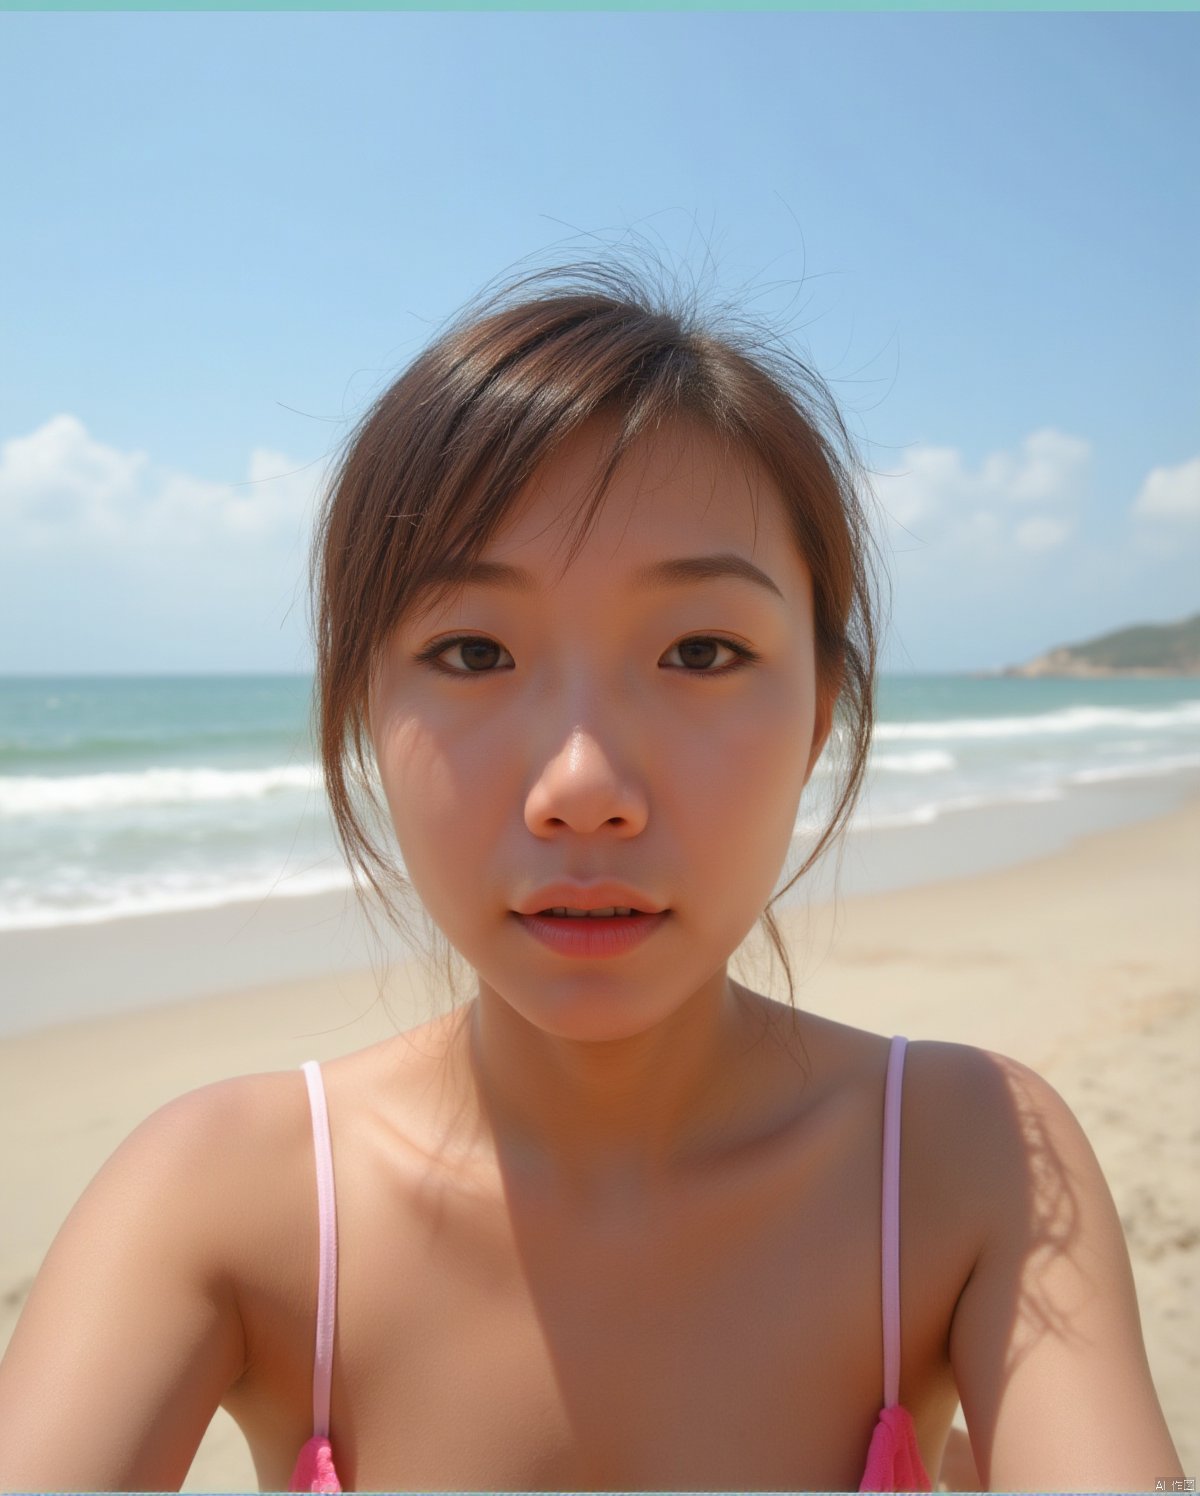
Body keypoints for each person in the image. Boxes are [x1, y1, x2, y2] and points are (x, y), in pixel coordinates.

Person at [0, 261, 1182, 1494]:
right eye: (471, 649)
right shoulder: (228, 1200)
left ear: (821, 706)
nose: (581, 782)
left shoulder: (962, 1158)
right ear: (364, 703)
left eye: (701, 649)